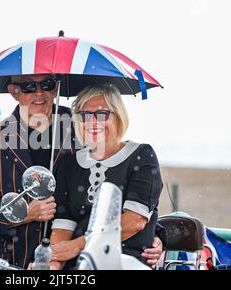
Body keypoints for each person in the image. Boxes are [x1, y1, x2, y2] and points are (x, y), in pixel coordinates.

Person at [0, 74, 164, 269]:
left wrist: (154, 234)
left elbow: (119, 199)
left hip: (77, 260)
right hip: (11, 259)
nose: (40, 92)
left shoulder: (80, 122)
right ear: (14, 91)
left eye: (47, 84)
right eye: (29, 86)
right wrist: (24, 214)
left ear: (56, 88)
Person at [50, 83, 163, 269]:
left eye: (102, 114)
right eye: (85, 115)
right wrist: (53, 263)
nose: (93, 123)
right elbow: (63, 226)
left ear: (118, 116)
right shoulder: (69, 163)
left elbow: (135, 221)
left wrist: (78, 246)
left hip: (125, 261)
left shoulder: (141, 156)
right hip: (80, 264)